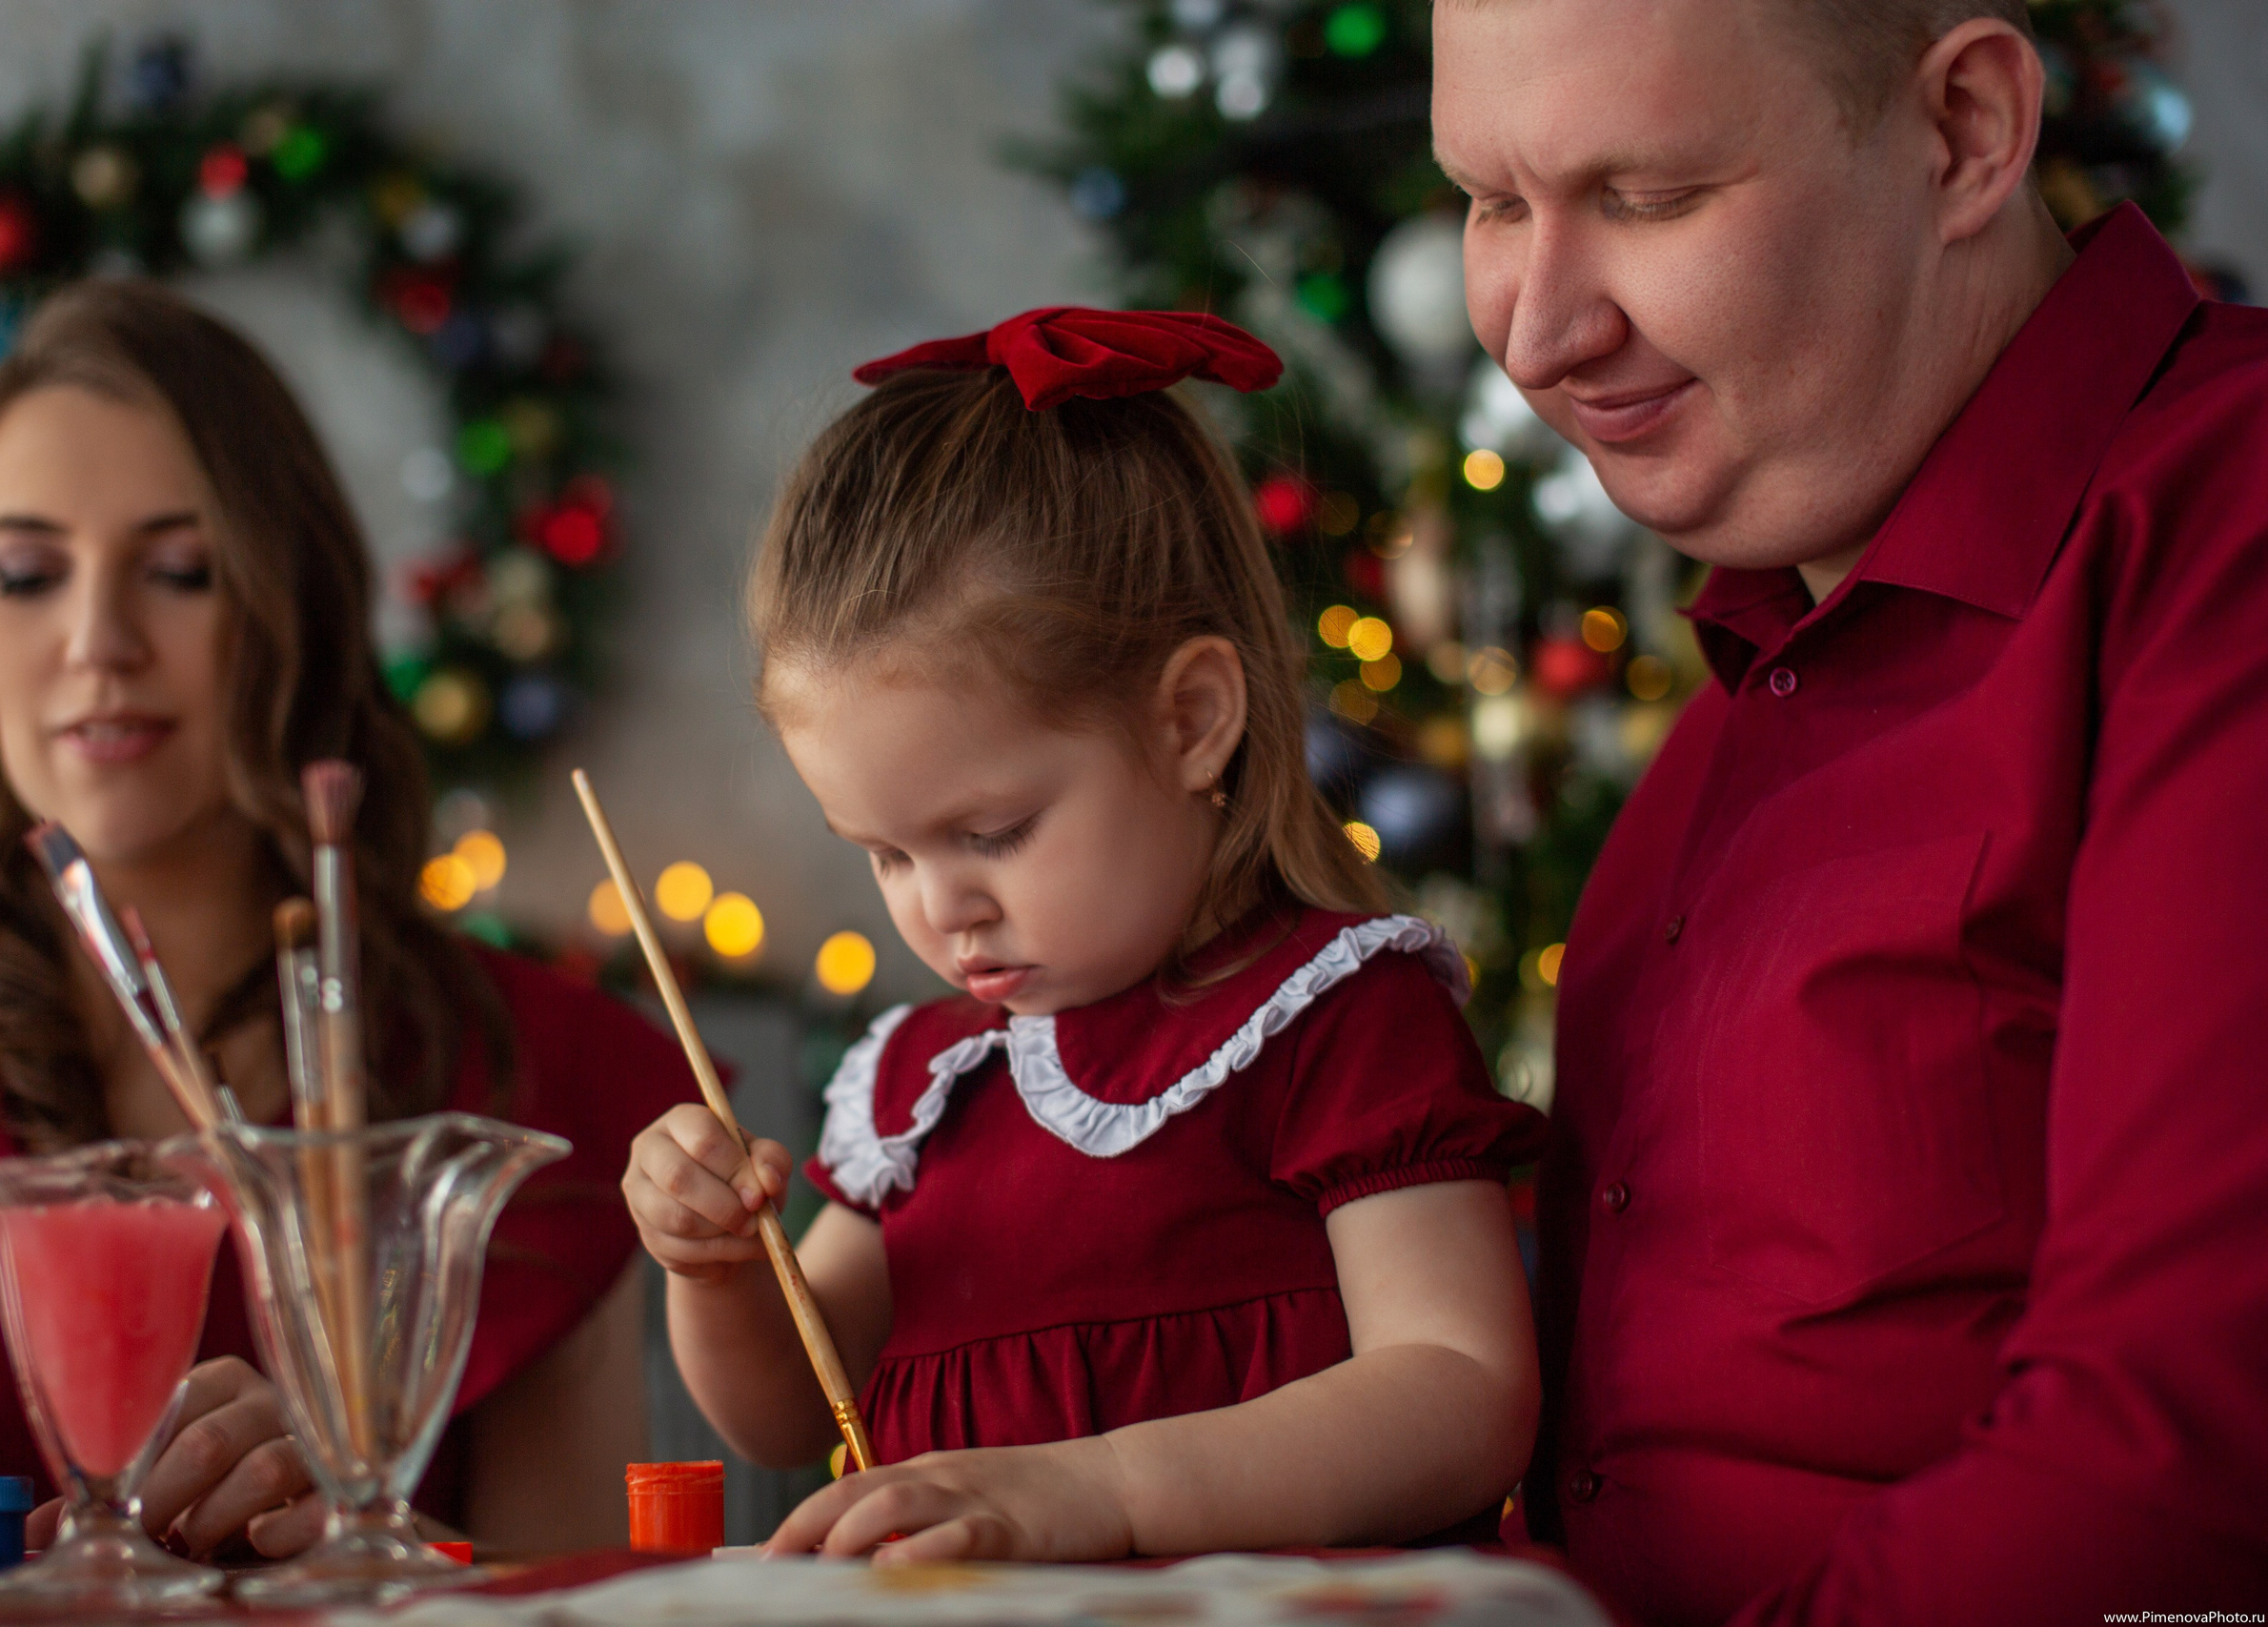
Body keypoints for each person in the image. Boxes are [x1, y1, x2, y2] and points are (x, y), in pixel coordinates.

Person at [1430, 0, 2268, 1619]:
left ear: (1964, 129)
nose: (1535, 333)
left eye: (1651, 199)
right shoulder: (1750, 677)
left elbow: (2181, 1479)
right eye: (1491, 201)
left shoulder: (2222, 539)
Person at [623, 307, 1548, 1564]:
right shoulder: (919, 1087)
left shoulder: (1342, 1018)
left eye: (991, 832)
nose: (938, 908)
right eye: (885, 854)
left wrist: (1106, 1491)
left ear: (1191, 721)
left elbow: (1460, 1391)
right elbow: (790, 1409)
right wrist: (718, 1271)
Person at [0, 280, 683, 1557]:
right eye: (24, 574)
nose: (100, 641)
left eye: (181, 571)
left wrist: (359, 1518)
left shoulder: (535, 1068)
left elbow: (560, 1596)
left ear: (294, 605)